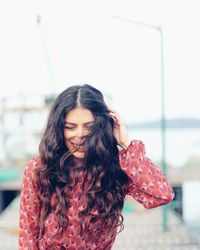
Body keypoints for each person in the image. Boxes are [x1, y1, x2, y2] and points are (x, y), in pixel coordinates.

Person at [19, 84, 174, 250]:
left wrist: (126, 144)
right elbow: (28, 233)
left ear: (101, 126)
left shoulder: (116, 168)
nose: (80, 135)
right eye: (70, 127)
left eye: (89, 127)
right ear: (58, 128)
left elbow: (162, 195)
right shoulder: (39, 169)